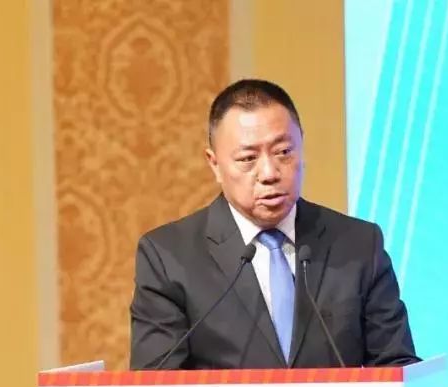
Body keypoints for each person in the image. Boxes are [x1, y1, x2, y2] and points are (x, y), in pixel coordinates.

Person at [129, 79, 418, 370]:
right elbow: (157, 384)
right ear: (214, 164)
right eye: (248, 158)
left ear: (301, 145)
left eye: (283, 152)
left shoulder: (359, 244)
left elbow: (397, 366)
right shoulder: (168, 256)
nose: (269, 173)